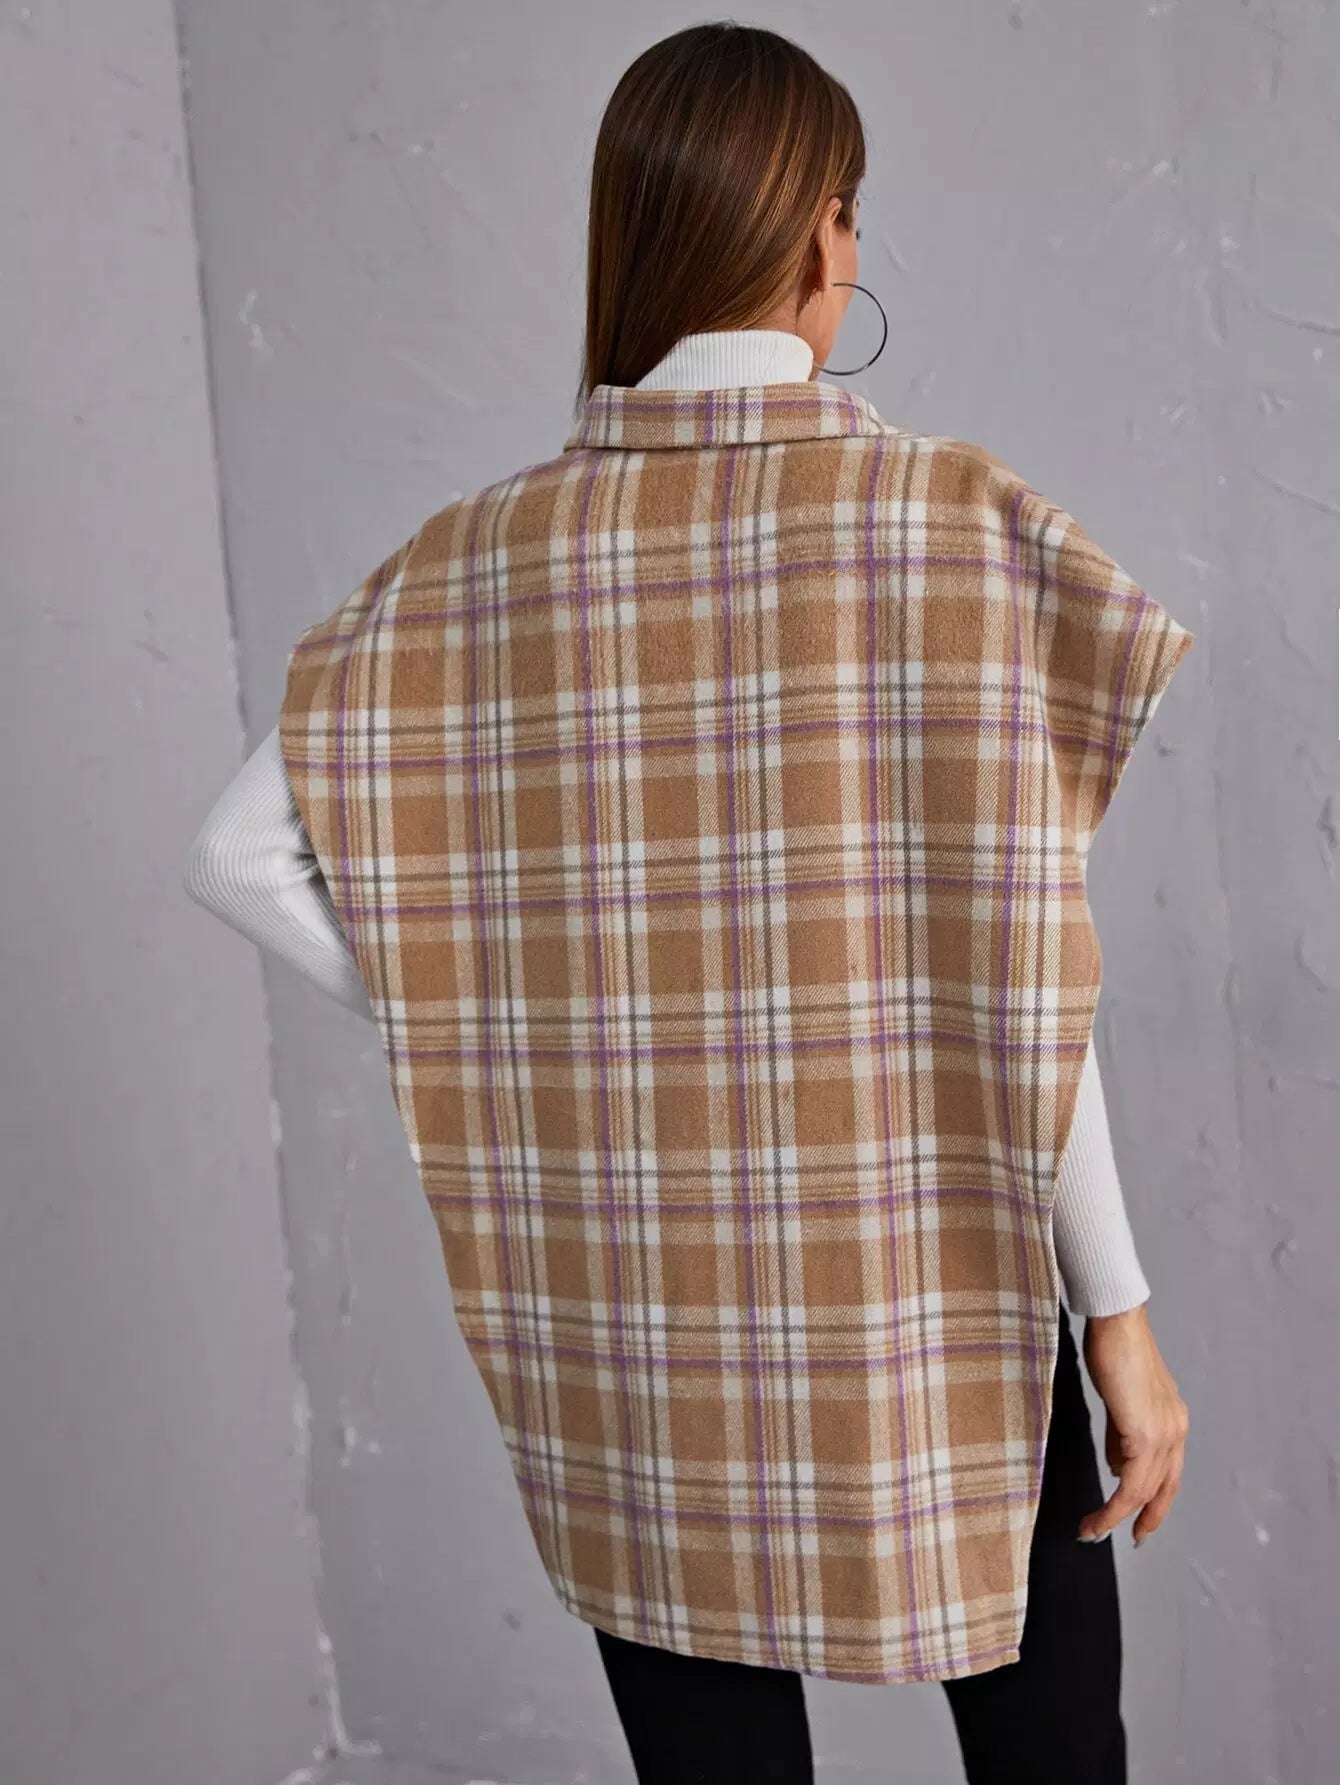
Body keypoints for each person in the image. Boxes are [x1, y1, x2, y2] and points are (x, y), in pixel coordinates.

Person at [184, 22, 1192, 1783]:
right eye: (850, 211)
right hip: (932, 1302)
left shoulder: (473, 568)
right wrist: (1117, 1314)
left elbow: (234, 854)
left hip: (638, 1331)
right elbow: (1033, 977)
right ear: (817, 232)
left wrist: (490, 1006)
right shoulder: (947, 528)